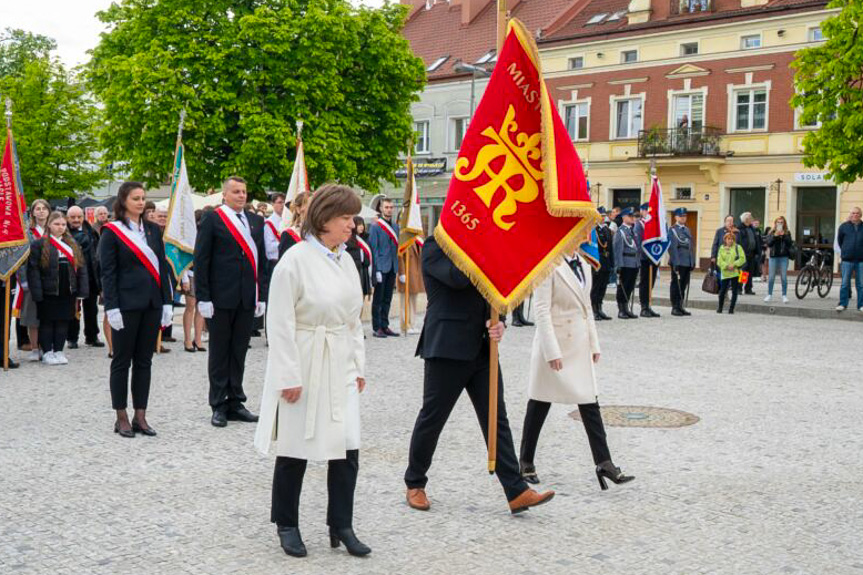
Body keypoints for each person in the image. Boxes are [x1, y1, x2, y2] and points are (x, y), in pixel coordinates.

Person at [255, 184, 370, 559]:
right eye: (346, 218)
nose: (352, 225)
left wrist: (358, 365)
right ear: (324, 220)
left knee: (347, 446)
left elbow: (353, 321)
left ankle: (342, 524)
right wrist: (288, 375)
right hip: (305, 359)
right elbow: (281, 321)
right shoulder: (295, 260)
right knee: (295, 447)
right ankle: (286, 523)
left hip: (339, 360)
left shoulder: (347, 260)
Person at [403, 236, 555, 515]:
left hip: (483, 347)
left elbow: (493, 291)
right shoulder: (436, 246)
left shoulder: (479, 244)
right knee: (433, 418)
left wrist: (500, 322)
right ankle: (414, 482)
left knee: (496, 419)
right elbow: (459, 278)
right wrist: (487, 248)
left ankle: (516, 491)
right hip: (446, 347)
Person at [519, 250, 634, 490]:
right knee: (540, 402)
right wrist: (551, 351)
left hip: (577, 343)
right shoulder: (548, 263)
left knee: (589, 402)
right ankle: (525, 461)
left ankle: (604, 463)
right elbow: (541, 310)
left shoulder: (584, 263)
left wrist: (594, 342)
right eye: (581, 230)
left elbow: (587, 308)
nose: (585, 235)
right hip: (555, 343)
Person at [100, 182, 174, 437]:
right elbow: (108, 273)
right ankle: (121, 416)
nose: (141, 203)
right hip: (126, 305)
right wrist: (111, 307)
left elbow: (162, 270)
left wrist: (167, 301)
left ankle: (140, 415)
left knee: (144, 361)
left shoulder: (153, 230)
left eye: (143, 198)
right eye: (135, 199)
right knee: (122, 361)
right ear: (123, 202)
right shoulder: (112, 232)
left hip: (152, 304)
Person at [194, 176, 268, 428]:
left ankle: (236, 400)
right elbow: (201, 259)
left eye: (244, 191)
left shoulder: (257, 221)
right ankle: (218, 404)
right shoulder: (213, 219)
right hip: (220, 297)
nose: (241, 195)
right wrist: (203, 297)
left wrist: (262, 295)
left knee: (239, 351)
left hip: (247, 296)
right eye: (236, 191)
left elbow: (261, 263)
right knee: (219, 352)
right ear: (224, 195)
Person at [27, 211, 89, 366]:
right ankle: (47, 351)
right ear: (49, 224)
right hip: (48, 290)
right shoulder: (39, 244)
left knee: (63, 321)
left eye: (63, 224)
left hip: (67, 290)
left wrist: (82, 290)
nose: (60, 227)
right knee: (47, 322)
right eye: (56, 224)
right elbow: (33, 270)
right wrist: (37, 292)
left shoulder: (72, 243)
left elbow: (81, 268)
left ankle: (59, 350)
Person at [66, 206, 104, 348]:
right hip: (73, 276)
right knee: (74, 308)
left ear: (83, 217)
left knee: (91, 309)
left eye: (79, 217)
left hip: (91, 275)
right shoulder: (64, 232)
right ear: (68, 218)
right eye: (72, 217)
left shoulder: (92, 232)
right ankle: (72, 338)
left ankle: (92, 336)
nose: (76, 220)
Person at [19, 199, 51, 361]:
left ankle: (47, 347)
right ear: (32, 213)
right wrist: (23, 280)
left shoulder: (54, 230)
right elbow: (22, 258)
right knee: (33, 315)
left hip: (50, 278)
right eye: (37, 209)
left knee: (49, 315)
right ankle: (33, 348)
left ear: (48, 211)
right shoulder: (28, 232)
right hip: (32, 278)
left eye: (44, 208)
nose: (41, 211)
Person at [369, 197, 400, 338]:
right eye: (386, 207)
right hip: (381, 267)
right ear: (381, 209)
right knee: (378, 299)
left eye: (391, 207)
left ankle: (385, 325)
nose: (389, 209)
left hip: (392, 266)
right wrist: (376, 270)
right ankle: (377, 327)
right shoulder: (375, 227)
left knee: (388, 298)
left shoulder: (396, 227)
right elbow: (373, 249)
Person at [634, 202, 660, 318]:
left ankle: (649, 305)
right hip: (645, 259)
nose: (648, 213)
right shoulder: (640, 224)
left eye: (650, 211)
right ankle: (644, 307)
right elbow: (638, 243)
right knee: (644, 283)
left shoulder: (654, 224)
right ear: (642, 211)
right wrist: (645, 255)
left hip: (654, 258)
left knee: (651, 282)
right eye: (646, 211)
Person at [668, 207, 695, 316]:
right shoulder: (673, 230)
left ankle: (680, 305)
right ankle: (675, 307)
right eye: (681, 216)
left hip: (687, 262)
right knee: (676, 284)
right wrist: (675, 263)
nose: (683, 218)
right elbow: (672, 248)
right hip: (678, 262)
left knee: (683, 284)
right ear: (676, 217)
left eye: (684, 216)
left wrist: (692, 262)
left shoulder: (687, 230)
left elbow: (690, 247)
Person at [835, 206, 863, 312]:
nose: (855, 215)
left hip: (861, 260)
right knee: (845, 283)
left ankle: (861, 305)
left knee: (861, 284)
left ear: (860, 215)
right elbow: (840, 241)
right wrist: (846, 251)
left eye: (857, 213)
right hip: (847, 259)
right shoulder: (843, 226)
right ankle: (842, 304)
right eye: (853, 213)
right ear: (850, 214)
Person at [613, 207, 639, 319]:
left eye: (633, 216)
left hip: (634, 263)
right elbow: (617, 249)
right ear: (624, 217)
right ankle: (621, 310)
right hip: (625, 262)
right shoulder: (620, 232)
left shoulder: (632, 231)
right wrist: (619, 265)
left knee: (630, 286)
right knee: (623, 286)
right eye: (630, 216)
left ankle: (626, 308)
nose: (633, 218)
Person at [764, 216, 795, 304]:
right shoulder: (772, 232)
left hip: (784, 257)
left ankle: (784, 295)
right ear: (775, 223)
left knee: (784, 277)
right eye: (778, 222)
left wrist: (783, 235)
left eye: (781, 222)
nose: (780, 224)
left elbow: (789, 244)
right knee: (771, 277)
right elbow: (769, 244)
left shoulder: (787, 232)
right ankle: (769, 294)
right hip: (773, 257)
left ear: (784, 223)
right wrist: (775, 236)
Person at [591, 212, 614, 321]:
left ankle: (600, 308)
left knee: (603, 286)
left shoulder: (606, 230)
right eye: (601, 215)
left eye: (604, 216)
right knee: (595, 286)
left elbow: (610, 248)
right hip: (598, 261)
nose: (603, 217)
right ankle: (593, 309)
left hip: (606, 261)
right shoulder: (593, 229)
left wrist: (612, 263)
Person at [398, 241, 425, 335]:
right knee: (405, 302)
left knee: (413, 301)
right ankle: (405, 325)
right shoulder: (406, 238)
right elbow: (400, 256)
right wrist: (401, 272)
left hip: (416, 275)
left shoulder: (419, 240)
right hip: (406, 274)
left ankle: (412, 324)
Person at [716, 232, 746, 314]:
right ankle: (720, 307)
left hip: (735, 272)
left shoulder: (738, 247)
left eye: (732, 239)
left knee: (734, 291)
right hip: (725, 272)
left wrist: (734, 264)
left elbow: (742, 258)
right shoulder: (721, 248)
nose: (730, 240)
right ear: (725, 240)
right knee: (722, 291)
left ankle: (731, 308)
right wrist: (726, 266)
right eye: (728, 239)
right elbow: (719, 260)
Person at [346, 216, 373, 300]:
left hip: (364, 269)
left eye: (362, 224)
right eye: (359, 224)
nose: (362, 226)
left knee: (362, 296)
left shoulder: (366, 238)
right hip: (354, 270)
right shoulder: (348, 239)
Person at [278, 191, 310, 259]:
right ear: (298, 209)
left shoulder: (320, 233)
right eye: (309, 205)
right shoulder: (289, 234)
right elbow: (284, 264)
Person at [736, 212, 759, 295]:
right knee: (743, 272)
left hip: (752, 253)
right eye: (750, 218)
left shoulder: (751, 228)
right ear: (746, 219)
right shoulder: (740, 229)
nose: (752, 219)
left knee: (750, 272)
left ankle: (748, 288)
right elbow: (739, 242)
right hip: (744, 253)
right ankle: (739, 288)